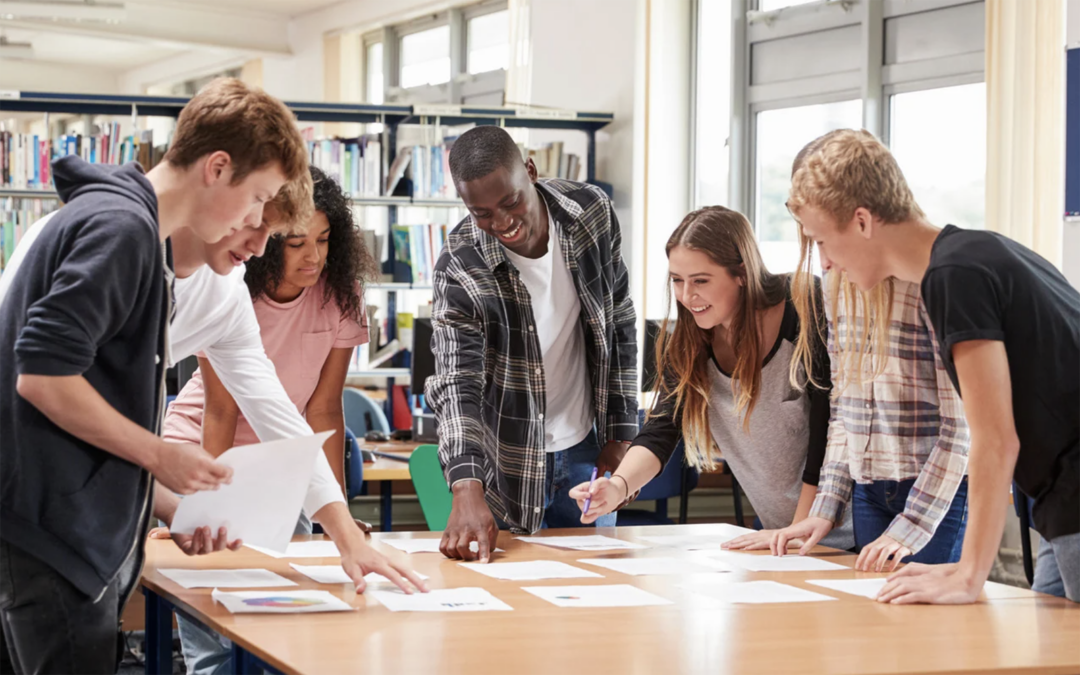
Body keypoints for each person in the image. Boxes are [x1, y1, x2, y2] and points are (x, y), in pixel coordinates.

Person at [0, 77, 299, 674]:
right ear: (217, 168)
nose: (256, 221)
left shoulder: (131, 228)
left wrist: (163, 504)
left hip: (59, 531)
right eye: (258, 198)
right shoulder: (123, 229)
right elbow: (42, 377)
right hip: (54, 537)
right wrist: (162, 455)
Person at [785, 128, 1080, 604]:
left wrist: (969, 575)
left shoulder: (953, 278)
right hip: (1055, 500)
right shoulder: (975, 252)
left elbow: (993, 438)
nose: (828, 262)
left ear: (862, 221)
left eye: (824, 240)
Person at [155, 166, 406, 674]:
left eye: (323, 239)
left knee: (285, 627)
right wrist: (205, 506)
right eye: (293, 242)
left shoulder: (333, 297)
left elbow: (316, 411)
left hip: (277, 460)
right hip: (199, 451)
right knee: (214, 621)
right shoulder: (227, 285)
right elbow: (221, 411)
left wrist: (334, 516)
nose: (312, 256)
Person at [568, 206, 853, 552]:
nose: (687, 296)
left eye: (700, 280)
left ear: (742, 273)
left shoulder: (804, 305)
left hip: (847, 529)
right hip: (781, 535)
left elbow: (828, 426)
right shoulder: (691, 344)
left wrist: (797, 529)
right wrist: (618, 487)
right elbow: (661, 430)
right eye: (677, 280)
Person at [427, 125, 638, 562]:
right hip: (506, 461)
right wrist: (466, 487)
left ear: (530, 170)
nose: (501, 223)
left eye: (510, 202)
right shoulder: (461, 265)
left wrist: (621, 434)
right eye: (481, 213)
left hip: (586, 450)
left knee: (593, 595)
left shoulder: (591, 212)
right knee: (504, 609)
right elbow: (456, 384)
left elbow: (619, 321)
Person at [769, 140, 971, 572]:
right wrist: (824, 507)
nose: (823, 261)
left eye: (824, 240)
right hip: (867, 488)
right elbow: (845, 410)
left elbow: (963, 427)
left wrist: (910, 526)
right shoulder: (836, 287)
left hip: (935, 489)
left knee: (926, 628)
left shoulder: (934, 284)